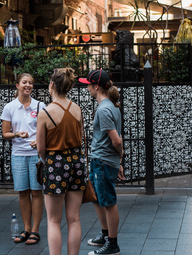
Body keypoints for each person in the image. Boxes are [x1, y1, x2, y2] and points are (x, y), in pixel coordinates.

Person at [36, 68, 85, 255]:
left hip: (55, 164)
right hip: (77, 162)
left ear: (51, 85)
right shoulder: (77, 109)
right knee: (74, 219)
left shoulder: (45, 113)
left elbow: (41, 148)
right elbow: (81, 138)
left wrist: (48, 160)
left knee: (53, 220)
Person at [79, 69, 124, 255]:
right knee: (97, 198)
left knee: (108, 201)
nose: (87, 87)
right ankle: (106, 235)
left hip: (103, 162)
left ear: (96, 86)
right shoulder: (110, 107)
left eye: (88, 84)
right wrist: (118, 161)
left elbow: (117, 140)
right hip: (102, 160)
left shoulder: (104, 109)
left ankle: (112, 245)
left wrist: (118, 159)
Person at [1, 73, 44, 245]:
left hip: (36, 154)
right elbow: (5, 134)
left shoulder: (40, 106)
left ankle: (35, 230)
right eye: (24, 82)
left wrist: (39, 141)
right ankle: (26, 229)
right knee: (23, 192)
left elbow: (46, 130)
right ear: (17, 85)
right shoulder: (9, 107)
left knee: (36, 191)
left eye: (31, 83)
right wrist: (16, 134)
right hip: (18, 154)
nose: (28, 85)